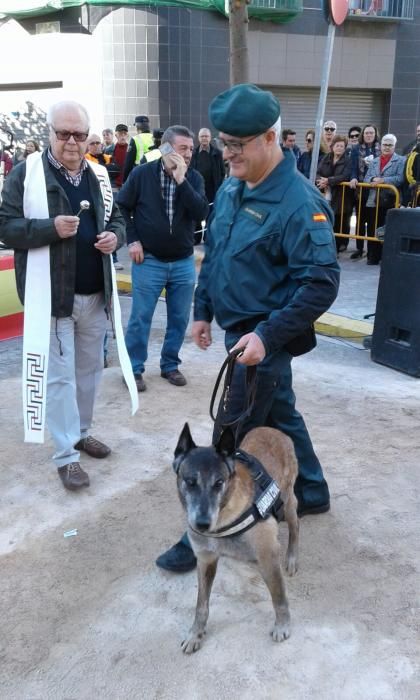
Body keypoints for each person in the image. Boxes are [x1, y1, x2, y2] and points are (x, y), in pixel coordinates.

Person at [156, 84, 340, 573]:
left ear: (270, 138)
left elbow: (320, 283)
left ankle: (202, 529)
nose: (228, 153)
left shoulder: (300, 202)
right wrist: (202, 309)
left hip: (265, 339)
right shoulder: (236, 186)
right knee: (280, 411)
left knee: (228, 435)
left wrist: (265, 336)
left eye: (238, 144)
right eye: (223, 143)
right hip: (239, 331)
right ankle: (313, 490)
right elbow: (216, 253)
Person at [0, 100, 125, 491]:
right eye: (63, 133)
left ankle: (81, 432)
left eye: (78, 134)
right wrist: (50, 228)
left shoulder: (99, 174)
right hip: (54, 298)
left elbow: (118, 217)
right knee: (58, 380)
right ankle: (66, 456)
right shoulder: (27, 173)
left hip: (95, 296)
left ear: (88, 136)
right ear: (49, 133)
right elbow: (6, 227)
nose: (71, 142)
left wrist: (115, 236)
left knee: (88, 374)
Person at [117, 125, 209, 392]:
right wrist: (132, 239)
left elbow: (201, 210)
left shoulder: (193, 177)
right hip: (150, 261)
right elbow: (123, 205)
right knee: (140, 317)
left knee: (179, 318)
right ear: (166, 148)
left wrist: (182, 180)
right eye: (183, 148)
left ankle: (170, 364)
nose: (189, 154)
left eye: (191, 149)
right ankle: (133, 369)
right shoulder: (142, 174)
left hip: (182, 261)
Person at [364, 133, 405, 265]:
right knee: (371, 228)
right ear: (380, 145)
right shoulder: (374, 161)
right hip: (373, 200)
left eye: (390, 145)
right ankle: (372, 256)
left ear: (394, 146)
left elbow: (400, 178)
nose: (387, 147)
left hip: (389, 200)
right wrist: (372, 179)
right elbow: (366, 178)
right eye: (385, 144)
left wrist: (383, 180)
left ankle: (384, 256)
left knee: (385, 229)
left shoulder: (400, 160)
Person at [349, 124, 381, 260]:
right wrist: (353, 177)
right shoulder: (356, 149)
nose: (369, 135)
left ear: (375, 134)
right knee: (360, 221)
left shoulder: (380, 148)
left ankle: (372, 250)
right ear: (363, 134)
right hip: (361, 189)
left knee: (373, 221)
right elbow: (353, 167)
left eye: (371, 133)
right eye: (367, 133)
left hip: (376, 190)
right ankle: (359, 248)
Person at [316, 134, 353, 253]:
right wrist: (321, 181)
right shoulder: (326, 157)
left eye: (342, 146)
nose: (339, 148)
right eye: (337, 145)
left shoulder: (347, 160)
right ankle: (327, 245)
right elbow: (317, 172)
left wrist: (328, 181)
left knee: (340, 221)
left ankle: (338, 246)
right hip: (326, 194)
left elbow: (345, 176)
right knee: (327, 220)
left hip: (342, 196)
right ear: (332, 147)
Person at [104, 124, 129, 270]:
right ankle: (114, 257)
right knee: (114, 219)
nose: (122, 135)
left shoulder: (132, 148)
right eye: (120, 133)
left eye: (124, 133)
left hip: (128, 187)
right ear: (116, 135)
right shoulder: (108, 150)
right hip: (114, 187)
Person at [191, 127, 225, 204]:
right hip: (198, 190)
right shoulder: (193, 154)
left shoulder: (218, 154)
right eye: (202, 136)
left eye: (206, 136)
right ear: (198, 138)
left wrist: (219, 184)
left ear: (210, 138)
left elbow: (222, 172)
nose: (204, 138)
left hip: (213, 191)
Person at [123, 115, 155, 181]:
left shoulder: (135, 139)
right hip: (155, 172)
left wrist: (125, 180)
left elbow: (129, 162)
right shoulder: (155, 138)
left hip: (140, 173)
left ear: (137, 127)